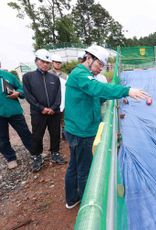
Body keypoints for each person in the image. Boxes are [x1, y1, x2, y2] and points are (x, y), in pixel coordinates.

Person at [64, 45, 149, 209]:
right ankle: (86, 203)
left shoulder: (84, 75)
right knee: (84, 169)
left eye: (102, 66)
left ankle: (71, 198)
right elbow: (97, 88)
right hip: (82, 131)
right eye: (99, 65)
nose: (100, 69)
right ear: (89, 58)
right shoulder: (80, 74)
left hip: (79, 127)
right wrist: (126, 91)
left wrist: (109, 96)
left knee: (75, 164)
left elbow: (95, 95)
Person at [23, 49, 66, 172]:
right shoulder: (28, 77)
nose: (45, 64)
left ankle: (55, 153)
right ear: (36, 61)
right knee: (37, 135)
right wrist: (41, 108)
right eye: (43, 61)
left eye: (47, 62)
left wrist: (53, 108)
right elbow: (28, 96)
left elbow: (59, 95)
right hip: (38, 113)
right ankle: (37, 156)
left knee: (55, 133)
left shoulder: (54, 78)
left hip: (54, 112)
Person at [0, 69, 32, 169]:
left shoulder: (8, 76)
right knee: (2, 138)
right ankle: (10, 158)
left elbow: (21, 87)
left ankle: (35, 152)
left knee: (25, 133)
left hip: (14, 111)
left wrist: (18, 93)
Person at [49, 54, 68, 139]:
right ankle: (55, 137)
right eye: (56, 62)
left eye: (60, 63)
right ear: (52, 63)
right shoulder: (47, 74)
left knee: (64, 119)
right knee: (54, 121)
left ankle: (64, 134)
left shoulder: (65, 75)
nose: (58, 64)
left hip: (63, 100)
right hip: (52, 102)